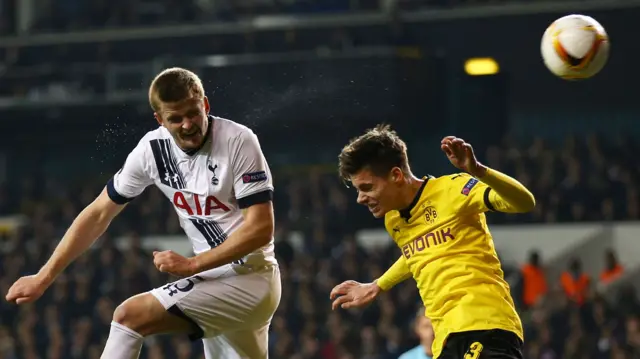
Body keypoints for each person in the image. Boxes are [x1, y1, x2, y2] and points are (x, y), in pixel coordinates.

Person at [5, 67, 281, 359]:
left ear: (206, 105)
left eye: (193, 113)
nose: (188, 125)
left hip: (250, 277)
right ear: (160, 119)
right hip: (215, 281)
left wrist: (193, 264)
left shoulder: (238, 140)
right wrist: (44, 276)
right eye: (175, 118)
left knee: (128, 316)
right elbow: (99, 212)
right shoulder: (152, 150)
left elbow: (260, 229)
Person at [330, 125, 535, 359]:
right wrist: (378, 285)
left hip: (485, 325)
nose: (360, 199)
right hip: (445, 340)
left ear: (396, 175)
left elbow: (524, 203)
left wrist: (478, 171)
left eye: (367, 187)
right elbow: (417, 254)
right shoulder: (393, 219)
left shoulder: (454, 190)